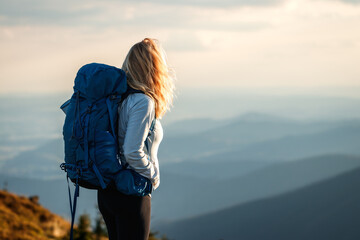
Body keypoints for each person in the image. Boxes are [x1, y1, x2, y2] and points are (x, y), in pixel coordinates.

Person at [97, 38, 175, 240]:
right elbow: (132, 150)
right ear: (154, 69)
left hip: (108, 191)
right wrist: (153, 175)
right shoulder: (142, 101)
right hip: (131, 191)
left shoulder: (117, 97)